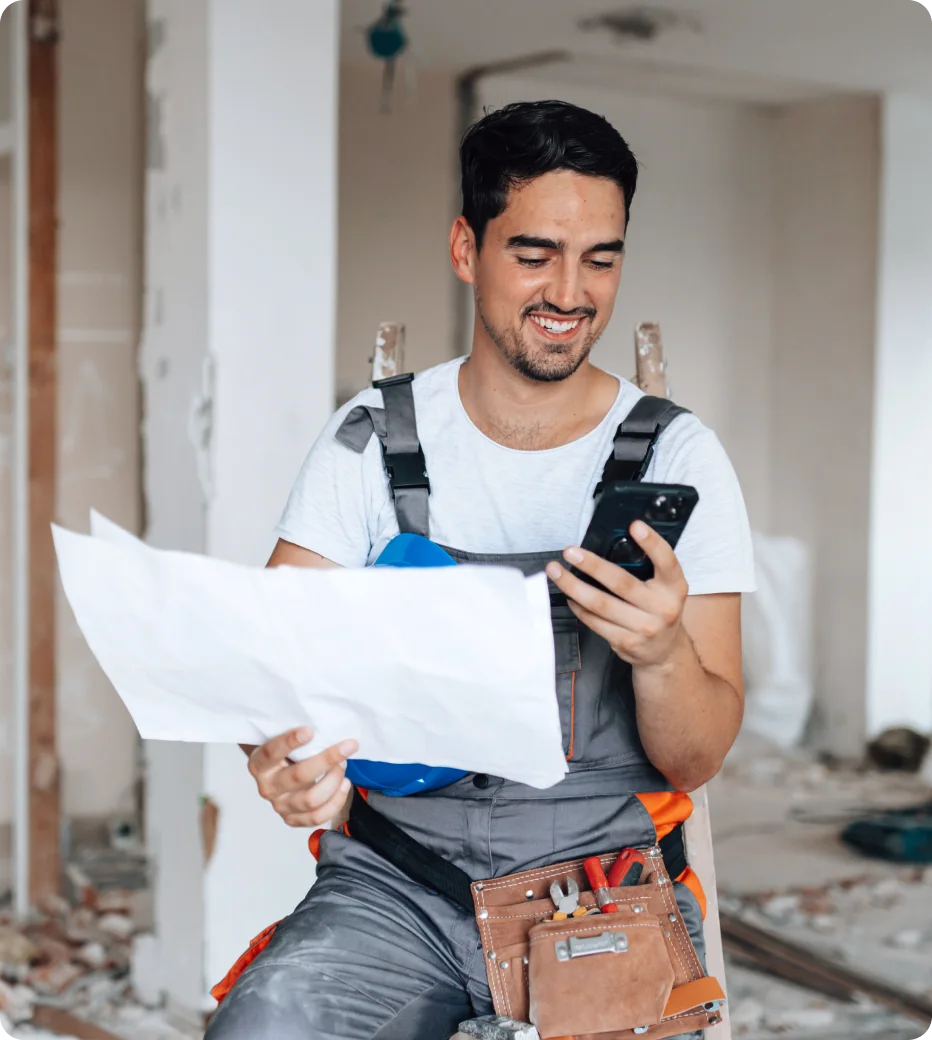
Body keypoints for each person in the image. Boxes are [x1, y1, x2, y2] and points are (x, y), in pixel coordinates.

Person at [205, 99, 754, 1040]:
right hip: (395, 891)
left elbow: (698, 755)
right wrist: (283, 757)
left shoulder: (680, 459)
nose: (570, 293)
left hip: (602, 897)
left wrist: (662, 655)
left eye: (601, 258)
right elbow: (275, 659)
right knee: (267, 1026)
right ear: (467, 248)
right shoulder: (371, 441)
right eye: (534, 254)